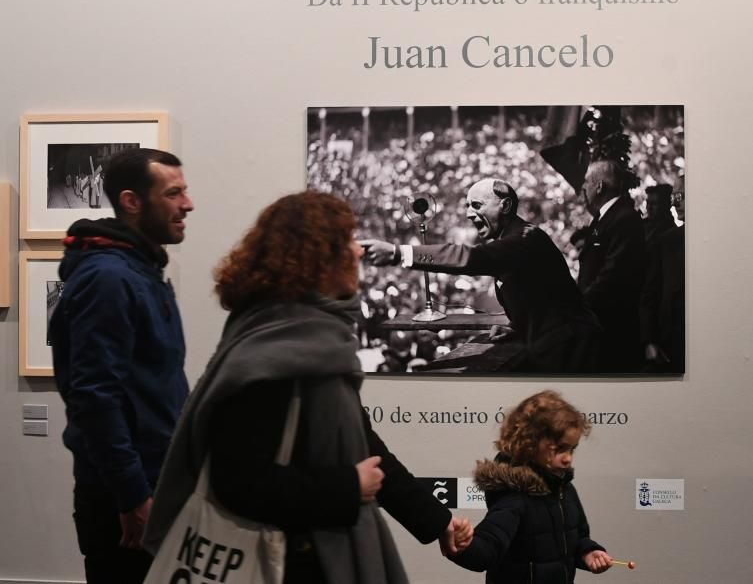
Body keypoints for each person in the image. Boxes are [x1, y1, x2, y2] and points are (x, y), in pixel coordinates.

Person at [143, 190, 471, 583]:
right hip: (288, 564)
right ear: (317, 258)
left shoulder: (305, 338)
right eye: (347, 240)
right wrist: (348, 487)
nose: (359, 251)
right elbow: (239, 482)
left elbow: (361, 441)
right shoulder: (276, 350)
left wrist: (436, 520)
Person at [50, 148, 194, 584]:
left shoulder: (140, 272)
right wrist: (132, 497)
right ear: (132, 201)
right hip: (128, 499)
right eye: (173, 193)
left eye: (184, 191)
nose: (188, 204)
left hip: (154, 486)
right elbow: (94, 398)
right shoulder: (109, 279)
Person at [362, 178, 602, 373]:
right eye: (467, 206)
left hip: (573, 349)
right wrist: (518, 326)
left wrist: (398, 253)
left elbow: (471, 258)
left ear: (505, 206)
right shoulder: (512, 240)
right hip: (555, 345)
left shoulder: (526, 238)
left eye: (476, 205)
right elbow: (539, 296)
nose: (468, 214)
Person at [445, 390, 611, 583]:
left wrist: (588, 551)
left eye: (571, 449)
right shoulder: (514, 498)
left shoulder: (565, 489)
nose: (568, 458)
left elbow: (577, 537)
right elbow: (488, 549)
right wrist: (463, 545)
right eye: (558, 449)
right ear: (528, 444)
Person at [578, 160, 646, 372]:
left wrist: (578, 306)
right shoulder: (604, 218)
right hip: (598, 324)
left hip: (614, 328)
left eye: (586, 182)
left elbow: (613, 274)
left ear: (599, 186)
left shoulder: (624, 218)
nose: (583, 188)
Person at [640, 181, 685, 372]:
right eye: (647, 203)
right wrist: (649, 339)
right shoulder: (666, 241)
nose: (676, 204)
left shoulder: (667, 237)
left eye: (679, 197)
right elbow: (649, 291)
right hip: (668, 336)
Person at [643, 183, 676, 247]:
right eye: (647, 202)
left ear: (666, 205)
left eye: (654, 203)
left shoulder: (671, 232)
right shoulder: (644, 224)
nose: (648, 207)